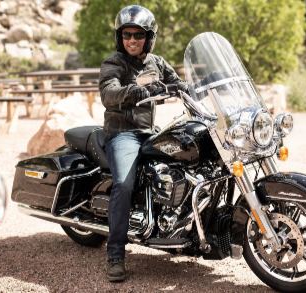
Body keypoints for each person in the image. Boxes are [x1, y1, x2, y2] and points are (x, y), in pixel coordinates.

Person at [98, 5, 188, 282]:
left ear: (149, 37)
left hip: (149, 132)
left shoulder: (157, 63)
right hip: (122, 133)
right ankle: (115, 253)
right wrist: (137, 90)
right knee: (124, 185)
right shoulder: (114, 63)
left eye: (138, 35)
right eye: (127, 35)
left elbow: (179, 82)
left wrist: (192, 86)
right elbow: (108, 92)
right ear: (120, 38)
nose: (132, 40)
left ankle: (176, 231)